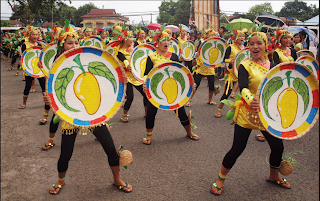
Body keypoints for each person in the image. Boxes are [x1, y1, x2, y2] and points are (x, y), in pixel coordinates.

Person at [44, 23, 132, 194]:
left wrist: (122, 82)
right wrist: (48, 99)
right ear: (62, 45)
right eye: (70, 43)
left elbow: (103, 85)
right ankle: (60, 180)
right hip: (70, 117)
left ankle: (116, 179)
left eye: (76, 43)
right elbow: (53, 95)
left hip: (94, 115)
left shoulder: (89, 61)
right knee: (65, 154)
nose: (74, 46)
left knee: (110, 148)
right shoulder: (57, 68)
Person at [210, 31, 290, 196]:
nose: (255, 46)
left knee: (278, 147)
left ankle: (273, 175)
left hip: (267, 115)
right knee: (238, 148)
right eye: (251, 43)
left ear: (266, 45)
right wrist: (250, 99)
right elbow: (244, 86)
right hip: (247, 113)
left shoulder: (274, 66)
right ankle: (220, 178)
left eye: (259, 43)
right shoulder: (244, 65)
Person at [142, 28, 199, 145]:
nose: (167, 42)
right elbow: (146, 75)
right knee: (151, 112)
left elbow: (180, 73)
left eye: (168, 40)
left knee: (181, 112)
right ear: (158, 42)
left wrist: (189, 85)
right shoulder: (152, 57)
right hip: (155, 89)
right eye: (164, 40)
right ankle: (149, 136)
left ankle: (189, 132)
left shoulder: (173, 56)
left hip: (172, 89)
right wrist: (144, 84)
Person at [114, 27, 148, 122]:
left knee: (145, 93)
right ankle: (124, 114)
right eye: (130, 37)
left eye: (133, 37)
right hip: (127, 76)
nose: (132, 39)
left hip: (136, 75)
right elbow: (122, 59)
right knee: (130, 96)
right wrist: (126, 64)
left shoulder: (135, 47)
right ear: (125, 39)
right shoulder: (120, 51)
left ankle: (146, 113)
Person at [215, 30, 245, 118]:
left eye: (243, 36)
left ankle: (241, 112)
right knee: (227, 93)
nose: (242, 38)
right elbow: (224, 59)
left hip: (241, 74)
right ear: (235, 37)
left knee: (244, 93)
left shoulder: (244, 48)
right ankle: (219, 109)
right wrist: (230, 60)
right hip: (232, 74)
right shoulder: (230, 48)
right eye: (240, 36)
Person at [186, 29, 219, 107]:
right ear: (207, 36)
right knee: (196, 84)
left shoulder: (216, 43)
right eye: (212, 35)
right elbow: (197, 53)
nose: (213, 36)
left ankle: (210, 100)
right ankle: (189, 100)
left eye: (214, 35)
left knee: (211, 84)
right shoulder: (202, 42)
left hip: (210, 67)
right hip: (201, 66)